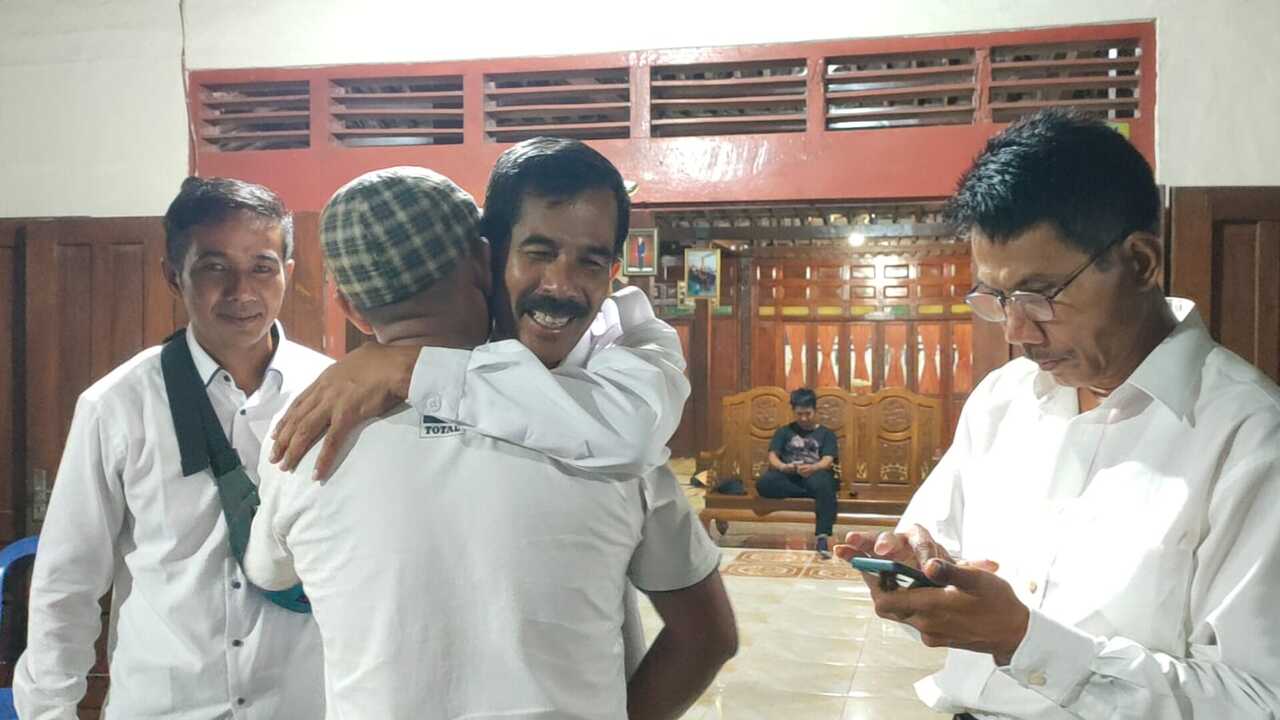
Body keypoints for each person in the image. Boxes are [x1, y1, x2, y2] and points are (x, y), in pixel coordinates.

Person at [835, 109, 1280, 719]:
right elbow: (938, 545)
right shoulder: (1004, 399)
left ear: (1141, 262)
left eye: (1040, 295)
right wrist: (916, 569)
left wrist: (1024, 641)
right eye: (997, 298)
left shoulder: (1248, 437)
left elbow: (1259, 699)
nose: (1017, 330)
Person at [244, 165, 733, 719]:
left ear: (349, 308)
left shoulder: (302, 437)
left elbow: (269, 573)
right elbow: (706, 637)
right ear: (485, 260)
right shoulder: (599, 431)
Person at [15, 177, 331, 719]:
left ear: (288, 271)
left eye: (262, 267)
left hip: (301, 704)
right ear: (172, 276)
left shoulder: (332, 394)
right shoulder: (117, 406)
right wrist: (50, 711)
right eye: (214, 267)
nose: (241, 291)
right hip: (164, 706)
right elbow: (66, 584)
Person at [755, 388, 838, 558]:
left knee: (824, 484)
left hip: (815, 475)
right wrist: (783, 467)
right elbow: (773, 456)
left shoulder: (826, 434)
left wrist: (813, 468)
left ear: (815, 410)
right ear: (793, 411)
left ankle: (822, 536)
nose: (804, 418)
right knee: (764, 483)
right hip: (790, 477)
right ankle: (811, 493)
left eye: (808, 414)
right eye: (799, 414)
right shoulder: (784, 432)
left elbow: (827, 460)